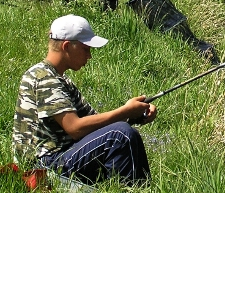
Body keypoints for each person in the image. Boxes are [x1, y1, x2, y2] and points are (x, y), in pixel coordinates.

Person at [13, 14, 156, 185]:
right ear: (67, 46)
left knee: (120, 131)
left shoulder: (61, 80)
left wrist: (135, 115)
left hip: (61, 156)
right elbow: (75, 128)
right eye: (85, 49)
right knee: (119, 135)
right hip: (45, 165)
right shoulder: (44, 78)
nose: (89, 56)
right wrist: (124, 112)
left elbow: (95, 126)